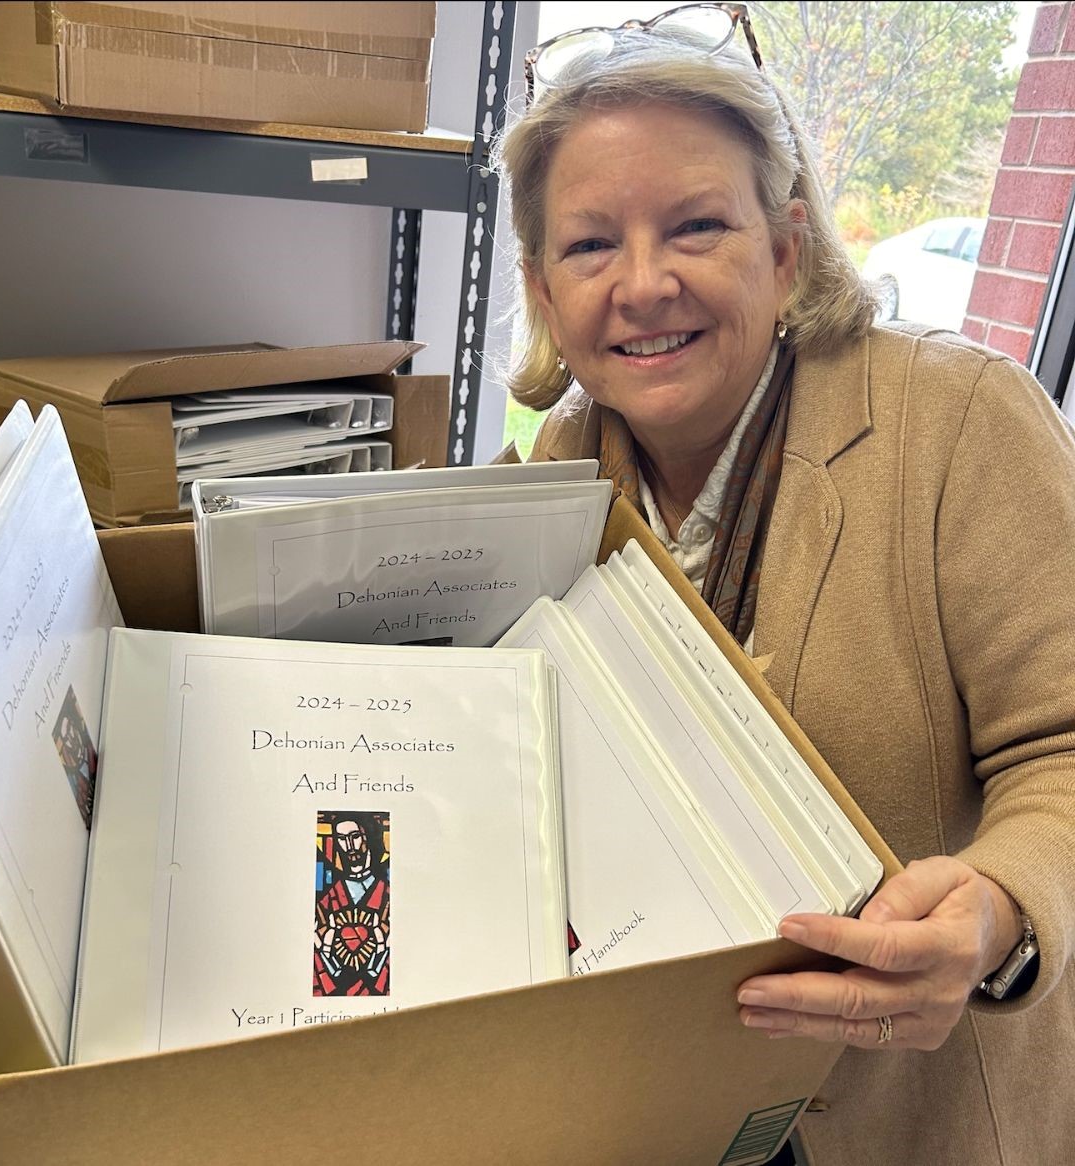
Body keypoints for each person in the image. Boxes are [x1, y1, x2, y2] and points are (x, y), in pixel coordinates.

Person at [493, 5, 1075, 1163]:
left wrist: (998, 904)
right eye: (591, 243)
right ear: (544, 289)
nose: (644, 283)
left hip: (906, 1112)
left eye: (698, 225)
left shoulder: (958, 425)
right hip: (652, 1099)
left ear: (785, 246)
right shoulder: (554, 470)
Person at [313, 813, 391, 996]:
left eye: (355, 837)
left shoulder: (387, 894)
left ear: (369, 837)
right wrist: (324, 952)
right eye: (341, 839)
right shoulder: (326, 901)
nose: (349, 846)